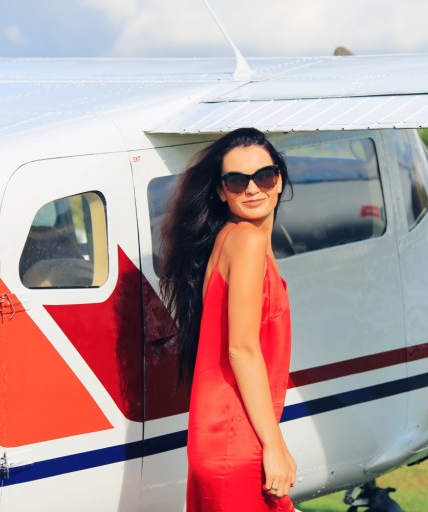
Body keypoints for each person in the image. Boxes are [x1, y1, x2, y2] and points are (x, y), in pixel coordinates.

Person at [159, 128, 296, 512]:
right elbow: (241, 348)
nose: (253, 189)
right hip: (237, 440)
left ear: (278, 179)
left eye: (264, 176)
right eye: (237, 180)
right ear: (221, 191)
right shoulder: (247, 242)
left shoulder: (229, 238)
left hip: (221, 438)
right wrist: (275, 445)